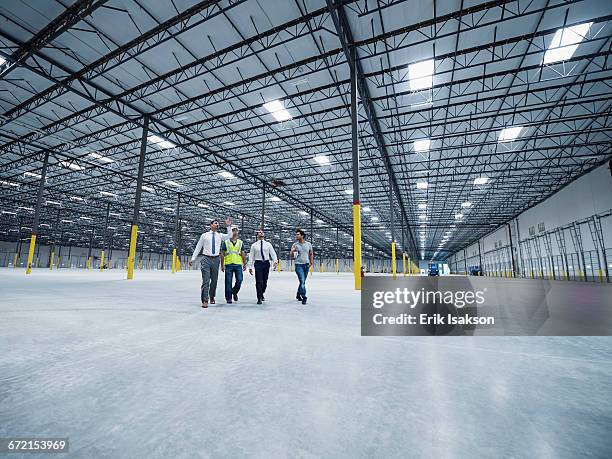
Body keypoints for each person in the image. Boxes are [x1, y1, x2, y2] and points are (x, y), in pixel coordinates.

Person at [189, 217, 232, 308]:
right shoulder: (204, 235)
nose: (217, 225)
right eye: (215, 223)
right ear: (211, 225)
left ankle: (212, 296)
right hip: (206, 259)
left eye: (218, 224)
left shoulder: (219, 235)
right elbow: (198, 247)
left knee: (214, 280)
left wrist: (228, 226)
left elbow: (230, 236)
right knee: (206, 281)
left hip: (216, 259)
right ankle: (205, 300)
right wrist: (193, 258)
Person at [247, 229, 278, 304]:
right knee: (259, 281)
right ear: (257, 235)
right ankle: (259, 297)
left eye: (262, 232)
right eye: (259, 233)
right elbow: (251, 256)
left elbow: (273, 253)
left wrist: (275, 261)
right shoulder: (254, 245)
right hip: (258, 263)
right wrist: (250, 267)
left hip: (266, 263)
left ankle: (262, 292)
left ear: (264, 235)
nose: (261, 233)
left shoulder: (268, 244)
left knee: (264, 281)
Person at [220, 226, 246, 304]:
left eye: (236, 230)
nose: (235, 232)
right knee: (228, 282)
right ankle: (228, 298)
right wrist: (222, 265)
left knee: (239, 280)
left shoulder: (240, 242)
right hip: (228, 264)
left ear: (238, 232)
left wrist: (244, 263)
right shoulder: (226, 242)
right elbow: (222, 254)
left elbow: (243, 253)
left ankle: (234, 292)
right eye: (233, 230)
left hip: (238, 264)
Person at [290, 229, 314, 305]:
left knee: (302, 282)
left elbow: (311, 254)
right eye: (296, 234)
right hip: (298, 265)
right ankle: (304, 296)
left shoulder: (308, 244)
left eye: (298, 234)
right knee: (302, 281)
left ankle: (298, 295)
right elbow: (291, 255)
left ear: (302, 235)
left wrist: (311, 262)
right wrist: (292, 251)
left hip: (306, 265)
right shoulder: (295, 245)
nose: (296, 236)